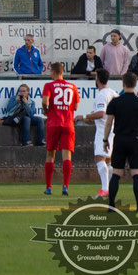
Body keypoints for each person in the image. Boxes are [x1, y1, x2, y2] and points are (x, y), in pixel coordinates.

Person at [104, 72, 138, 213]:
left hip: (119, 140)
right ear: (135, 84)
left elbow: (108, 123)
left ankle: (111, 206)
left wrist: (105, 140)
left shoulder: (115, 102)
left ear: (123, 84)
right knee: (136, 174)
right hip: (134, 140)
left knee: (116, 173)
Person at [41, 63, 79, 196]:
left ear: (53, 72)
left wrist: (46, 110)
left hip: (53, 123)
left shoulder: (49, 85)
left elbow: (45, 101)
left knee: (50, 155)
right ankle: (65, 186)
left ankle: (49, 187)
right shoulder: (73, 87)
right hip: (68, 124)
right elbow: (75, 106)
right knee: (66, 155)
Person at [79, 69, 118, 198]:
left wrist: (84, 116)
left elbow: (101, 114)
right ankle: (110, 188)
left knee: (99, 158)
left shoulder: (102, 94)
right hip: (113, 129)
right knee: (108, 160)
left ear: (97, 80)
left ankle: (105, 189)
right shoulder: (114, 93)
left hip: (103, 130)